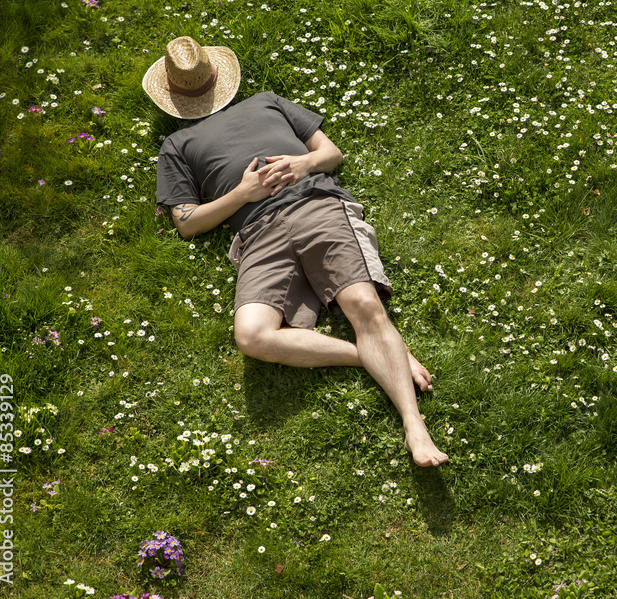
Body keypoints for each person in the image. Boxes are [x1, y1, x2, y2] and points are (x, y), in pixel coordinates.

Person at [145, 36, 448, 467]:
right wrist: (242, 194)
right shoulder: (176, 146)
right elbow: (187, 224)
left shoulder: (266, 102)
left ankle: (414, 428)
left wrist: (301, 164)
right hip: (256, 233)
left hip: (316, 204)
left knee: (363, 302)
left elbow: (331, 153)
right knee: (252, 336)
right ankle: (376, 356)